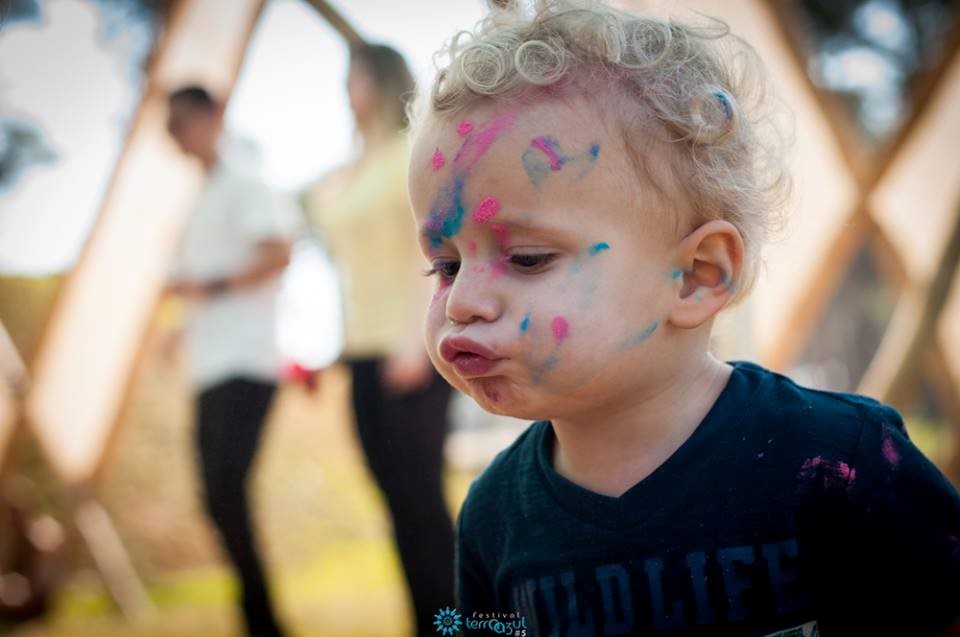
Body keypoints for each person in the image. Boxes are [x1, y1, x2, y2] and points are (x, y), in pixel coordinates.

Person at [405, 1, 960, 634]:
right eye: (444, 265)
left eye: (528, 258)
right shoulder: (492, 516)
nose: (460, 301)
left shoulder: (841, 460)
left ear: (697, 276)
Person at [303, 45, 455, 635]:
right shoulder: (350, 172)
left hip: (409, 348)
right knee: (396, 506)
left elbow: (433, 252)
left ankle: (462, 624)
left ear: (383, 81)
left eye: (355, 77)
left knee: (422, 503)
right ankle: (427, 623)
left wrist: (414, 344)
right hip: (359, 354)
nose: (347, 89)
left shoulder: (406, 157)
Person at [165, 86, 294, 637]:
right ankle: (259, 618)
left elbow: (276, 253)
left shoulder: (244, 181)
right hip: (209, 365)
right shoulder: (199, 197)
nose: (175, 133)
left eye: (182, 120)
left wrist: (206, 287)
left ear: (213, 116)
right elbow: (203, 289)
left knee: (225, 491)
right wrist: (179, 332)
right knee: (216, 499)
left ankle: (262, 622)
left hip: (246, 362)